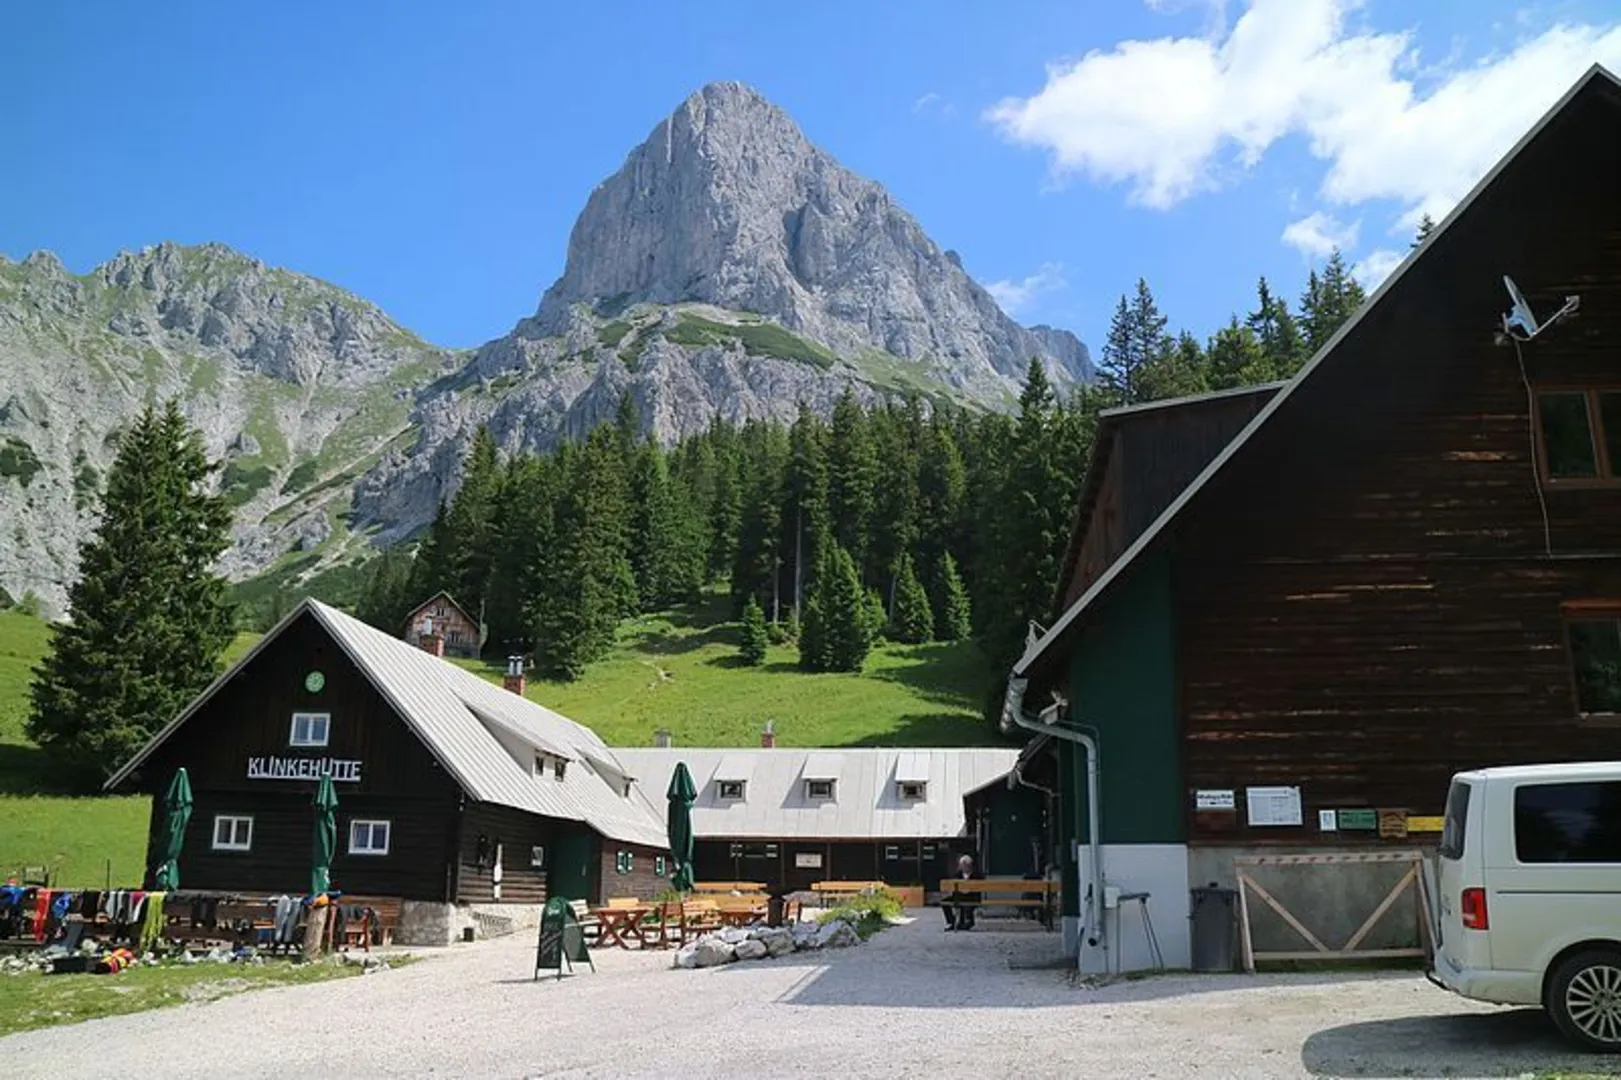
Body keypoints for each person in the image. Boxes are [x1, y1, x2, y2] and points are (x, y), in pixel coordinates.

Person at [942, 854, 979, 931]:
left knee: (967, 903)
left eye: (966, 865)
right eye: (962, 865)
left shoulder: (976, 875)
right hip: (958, 897)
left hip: (971, 897)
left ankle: (968, 922)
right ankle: (951, 922)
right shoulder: (958, 874)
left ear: (970, 865)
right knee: (944, 902)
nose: (964, 867)